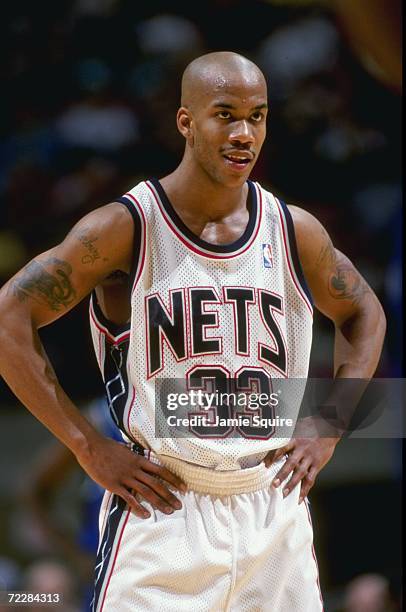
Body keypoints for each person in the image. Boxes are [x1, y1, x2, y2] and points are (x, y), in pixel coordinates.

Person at [0, 51, 385, 611]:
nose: (243, 132)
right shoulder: (125, 228)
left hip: (272, 506)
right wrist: (86, 446)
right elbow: (9, 315)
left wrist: (328, 425)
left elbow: (365, 312)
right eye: (225, 114)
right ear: (186, 121)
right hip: (163, 509)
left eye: (257, 115)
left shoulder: (293, 231)